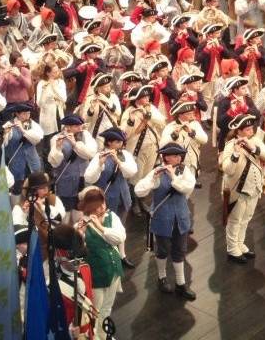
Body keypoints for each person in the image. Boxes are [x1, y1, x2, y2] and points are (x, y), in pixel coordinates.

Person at [135, 143, 197, 300]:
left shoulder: (185, 171)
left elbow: (186, 188)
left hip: (180, 217)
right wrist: (153, 179)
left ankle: (181, 283)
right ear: (166, 157)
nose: (177, 158)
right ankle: (161, 278)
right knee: (162, 249)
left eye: (178, 156)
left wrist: (173, 177)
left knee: (180, 250)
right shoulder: (157, 171)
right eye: (173, 156)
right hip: (162, 217)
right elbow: (139, 190)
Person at [75, 186, 125, 340]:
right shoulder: (80, 224)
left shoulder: (112, 217)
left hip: (114, 270)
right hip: (95, 274)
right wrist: (80, 234)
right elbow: (76, 250)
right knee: (94, 311)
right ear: (89, 208)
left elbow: (120, 238)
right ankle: (94, 337)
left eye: (103, 203)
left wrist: (100, 227)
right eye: (98, 205)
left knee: (107, 308)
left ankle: (104, 336)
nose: (103, 207)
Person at [83, 127, 138, 269]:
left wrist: (118, 162)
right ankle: (108, 255)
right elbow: (89, 177)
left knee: (121, 227)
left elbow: (131, 172)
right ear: (110, 143)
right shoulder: (98, 156)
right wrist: (100, 163)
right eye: (118, 142)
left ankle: (122, 255)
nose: (122, 145)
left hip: (123, 196)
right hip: (106, 200)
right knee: (105, 227)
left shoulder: (125, 155)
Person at [220, 113, 265, 263]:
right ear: (238, 132)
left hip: (254, 187)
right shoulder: (230, 146)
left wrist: (252, 147)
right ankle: (232, 248)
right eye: (247, 129)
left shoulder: (255, 140)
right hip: (237, 189)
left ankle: (239, 243)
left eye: (251, 128)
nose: (251, 131)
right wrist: (236, 153)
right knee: (235, 219)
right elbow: (228, 169)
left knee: (246, 218)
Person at [48, 114, 98, 223]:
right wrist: (57, 147)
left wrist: (75, 144)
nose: (80, 128)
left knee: (80, 207)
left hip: (82, 179)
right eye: (77, 126)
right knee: (66, 208)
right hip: (66, 179)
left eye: (80, 125)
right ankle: (65, 231)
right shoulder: (56, 138)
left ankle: (78, 230)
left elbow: (90, 153)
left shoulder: (86, 135)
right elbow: (54, 163)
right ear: (68, 127)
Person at [120, 84, 166, 200]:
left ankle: (142, 199)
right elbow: (125, 134)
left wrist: (149, 115)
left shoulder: (150, 108)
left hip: (152, 147)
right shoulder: (130, 112)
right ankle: (134, 201)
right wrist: (131, 120)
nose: (147, 99)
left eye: (147, 96)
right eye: (144, 97)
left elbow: (162, 122)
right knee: (137, 177)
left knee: (147, 175)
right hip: (138, 150)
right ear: (137, 99)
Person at [160, 101, 208, 188]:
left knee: (189, 186)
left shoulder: (195, 124)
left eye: (192, 113)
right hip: (176, 164)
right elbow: (162, 145)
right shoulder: (170, 127)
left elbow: (204, 140)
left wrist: (191, 132)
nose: (192, 115)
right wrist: (174, 135)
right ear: (180, 115)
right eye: (189, 113)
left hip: (192, 162)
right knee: (177, 187)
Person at [2, 103, 43, 201]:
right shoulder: (8, 125)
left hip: (32, 162)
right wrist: (5, 134)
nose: (27, 116)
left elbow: (37, 139)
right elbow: (3, 144)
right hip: (16, 163)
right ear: (17, 114)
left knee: (33, 188)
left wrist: (23, 130)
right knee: (17, 189)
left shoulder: (32, 124)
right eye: (24, 114)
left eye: (28, 114)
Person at [216, 76, 260, 151]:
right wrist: (230, 112)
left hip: (248, 135)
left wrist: (245, 108)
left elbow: (257, 115)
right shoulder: (224, 102)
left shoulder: (248, 100)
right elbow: (219, 123)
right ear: (235, 90)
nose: (246, 90)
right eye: (243, 88)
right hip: (229, 136)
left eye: (246, 87)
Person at [79, 72, 122, 142]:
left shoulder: (114, 97)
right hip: (96, 134)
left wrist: (108, 102)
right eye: (105, 87)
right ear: (98, 89)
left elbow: (118, 113)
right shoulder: (90, 99)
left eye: (109, 86)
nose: (109, 88)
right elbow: (85, 119)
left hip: (111, 133)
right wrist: (91, 109)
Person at [235, 28, 265, 99]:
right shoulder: (241, 48)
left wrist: (258, 53)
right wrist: (244, 55)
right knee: (245, 96)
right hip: (244, 76)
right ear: (250, 39)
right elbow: (234, 64)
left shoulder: (260, 49)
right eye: (256, 38)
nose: (259, 40)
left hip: (256, 77)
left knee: (256, 96)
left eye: (259, 38)